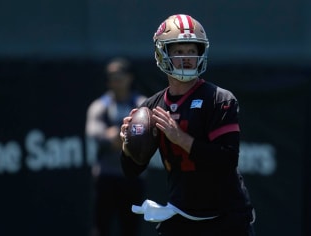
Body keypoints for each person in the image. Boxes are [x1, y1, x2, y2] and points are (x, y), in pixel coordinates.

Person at [119, 14, 256, 236]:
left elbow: (226, 160)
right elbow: (131, 170)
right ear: (162, 53)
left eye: (192, 51)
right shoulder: (152, 106)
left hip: (226, 218)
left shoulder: (219, 99)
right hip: (181, 215)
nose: (186, 58)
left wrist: (180, 138)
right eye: (179, 51)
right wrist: (128, 144)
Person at [86, 57, 147, 236]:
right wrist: (123, 137)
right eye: (112, 76)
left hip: (133, 179)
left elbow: (148, 133)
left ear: (130, 78)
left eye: (120, 75)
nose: (116, 80)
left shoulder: (141, 104)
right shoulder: (100, 106)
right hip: (106, 178)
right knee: (101, 228)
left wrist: (120, 137)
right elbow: (94, 133)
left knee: (130, 228)